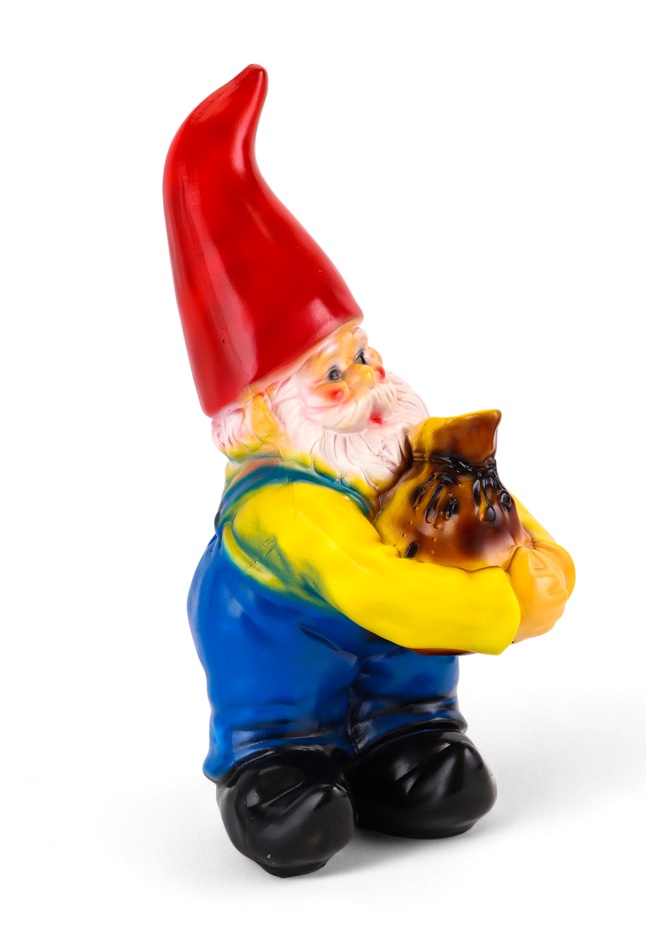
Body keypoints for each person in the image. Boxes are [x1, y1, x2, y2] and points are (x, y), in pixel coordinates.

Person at [164, 65, 574, 877]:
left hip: (399, 667)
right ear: (267, 415)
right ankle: (277, 766)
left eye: (361, 351)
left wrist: (541, 562)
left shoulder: (401, 441)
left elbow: (500, 510)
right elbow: (378, 588)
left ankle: (407, 733)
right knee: (296, 785)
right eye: (331, 374)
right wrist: (505, 604)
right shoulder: (284, 507)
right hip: (286, 669)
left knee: (441, 774)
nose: (365, 381)